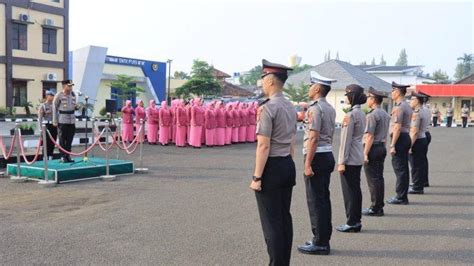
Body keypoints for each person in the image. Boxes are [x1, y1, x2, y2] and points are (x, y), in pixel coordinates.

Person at [249, 59, 297, 266]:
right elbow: (293, 140)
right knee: (284, 218)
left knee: (272, 223)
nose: (262, 83)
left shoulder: (267, 108)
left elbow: (263, 146)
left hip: (272, 167)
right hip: (287, 163)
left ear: (270, 80)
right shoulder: (290, 106)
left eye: (263, 79)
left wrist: (257, 177)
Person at [297, 71, 336, 255]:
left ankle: (320, 242)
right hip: (327, 153)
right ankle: (322, 238)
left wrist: (307, 164)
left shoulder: (315, 109)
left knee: (315, 201)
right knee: (323, 199)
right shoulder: (330, 108)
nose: (309, 88)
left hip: (317, 157)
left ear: (318, 88)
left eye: (311, 85)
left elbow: (313, 137)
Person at [336, 84, 367, 233]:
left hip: (350, 157)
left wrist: (341, 161)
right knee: (355, 190)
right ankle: (356, 220)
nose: (346, 97)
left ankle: (352, 222)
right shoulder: (361, 113)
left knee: (350, 192)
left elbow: (345, 141)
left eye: (347, 95)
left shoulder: (350, 115)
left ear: (352, 96)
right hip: (358, 155)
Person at [362, 87, 390, 217]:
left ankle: (375, 207)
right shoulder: (384, 113)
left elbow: (370, 136)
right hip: (381, 146)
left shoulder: (372, 115)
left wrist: (365, 153)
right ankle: (379, 205)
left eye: (368, 98)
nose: (367, 100)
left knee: (373, 179)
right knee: (379, 178)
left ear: (373, 99)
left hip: (372, 148)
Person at [387, 82, 413, 205]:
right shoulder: (406, 105)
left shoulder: (399, 107)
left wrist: (392, 144)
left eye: (393, 91)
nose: (391, 93)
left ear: (397, 92)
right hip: (405, 136)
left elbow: (397, 127)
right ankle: (403, 195)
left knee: (400, 169)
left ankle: (401, 196)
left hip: (400, 138)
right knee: (403, 168)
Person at [408, 92, 429, 194]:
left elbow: (414, 131)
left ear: (417, 101)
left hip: (417, 140)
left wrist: (410, 145)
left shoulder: (417, 113)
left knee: (415, 165)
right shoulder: (425, 110)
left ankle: (417, 187)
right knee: (420, 164)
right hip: (423, 138)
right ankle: (419, 184)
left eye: (412, 99)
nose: (410, 102)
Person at [53, 80, 79, 163]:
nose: (71, 87)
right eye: (69, 85)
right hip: (62, 120)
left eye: (71, 85)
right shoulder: (59, 95)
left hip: (72, 120)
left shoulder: (73, 94)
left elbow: (74, 106)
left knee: (70, 139)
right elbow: (54, 108)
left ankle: (68, 156)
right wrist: (55, 120)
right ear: (64, 86)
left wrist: (76, 107)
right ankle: (62, 156)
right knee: (62, 139)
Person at [38, 90, 57, 160]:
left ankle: (51, 156)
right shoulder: (43, 106)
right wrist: (40, 129)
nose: (52, 97)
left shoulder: (55, 106)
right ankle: (45, 157)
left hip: (54, 125)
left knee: (53, 141)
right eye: (51, 95)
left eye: (53, 95)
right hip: (46, 126)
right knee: (46, 142)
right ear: (46, 96)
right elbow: (40, 118)